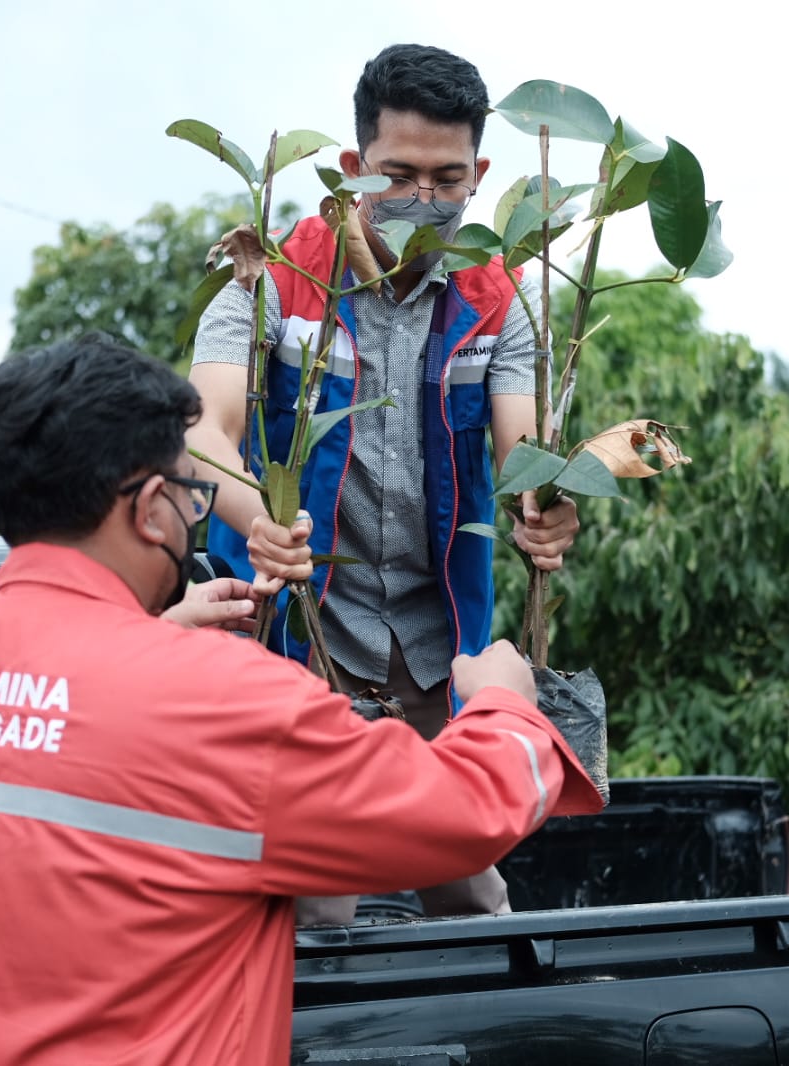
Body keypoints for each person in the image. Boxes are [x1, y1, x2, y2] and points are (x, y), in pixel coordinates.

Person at [0, 332, 601, 1066]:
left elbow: (42, 756)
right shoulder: (219, 702)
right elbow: (456, 816)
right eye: (195, 496)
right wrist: (505, 706)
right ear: (148, 509)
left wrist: (147, 638)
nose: (195, 515)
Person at [188, 43, 581, 924]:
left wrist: (545, 511)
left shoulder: (497, 300)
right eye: (399, 175)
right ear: (353, 169)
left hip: (435, 653)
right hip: (300, 644)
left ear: (481, 172)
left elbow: (522, 448)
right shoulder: (273, 280)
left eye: (450, 180)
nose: (425, 201)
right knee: (315, 908)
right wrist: (259, 519)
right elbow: (200, 428)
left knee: (473, 901)